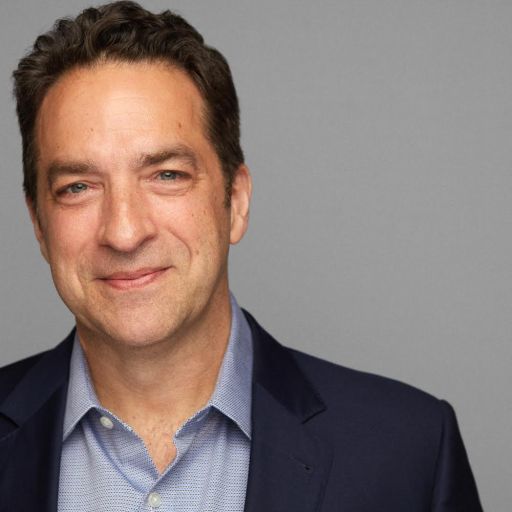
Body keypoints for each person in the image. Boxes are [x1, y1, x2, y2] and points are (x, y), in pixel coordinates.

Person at [0, 2, 482, 511]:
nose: (124, 232)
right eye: (78, 186)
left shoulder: (409, 452)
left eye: (167, 175)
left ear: (236, 200)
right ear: (39, 223)